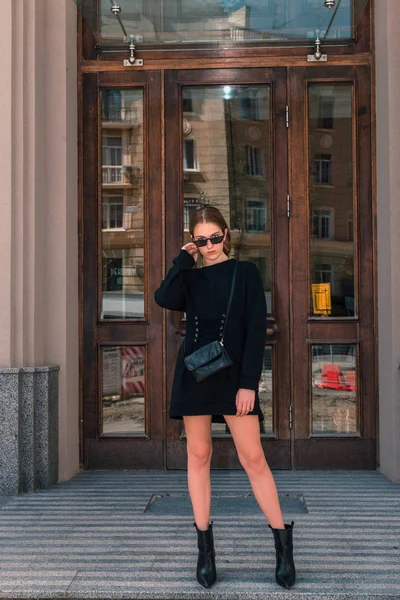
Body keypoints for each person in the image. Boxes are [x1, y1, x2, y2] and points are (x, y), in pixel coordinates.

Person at [154, 206, 296, 590]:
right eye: (201, 240)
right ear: (195, 242)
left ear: (226, 235)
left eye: (215, 237)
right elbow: (163, 297)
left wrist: (249, 383)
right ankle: (205, 551)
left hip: (234, 377)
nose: (210, 245)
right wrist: (183, 259)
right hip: (195, 375)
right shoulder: (190, 277)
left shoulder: (245, 272)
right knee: (198, 456)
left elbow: (255, 332)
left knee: (253, 458)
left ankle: (283, 546)